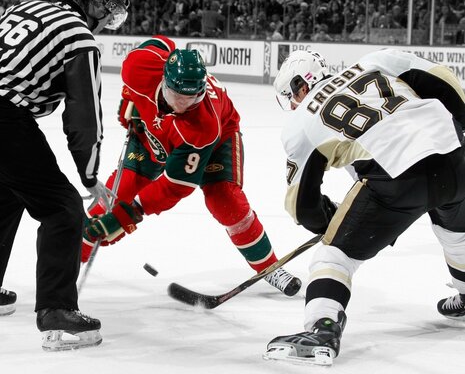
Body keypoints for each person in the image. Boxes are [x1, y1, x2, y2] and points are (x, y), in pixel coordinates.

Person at [0, 0, 130, 351]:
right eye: (112, 13)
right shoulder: (80, 38)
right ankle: (57, 313)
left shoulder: (26, 8)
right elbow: (83, 117)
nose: (109, 23)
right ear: (97, 5)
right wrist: (89, 178)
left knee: (1, 191)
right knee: (61, 206)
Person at [263, 49, 465, 365]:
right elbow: (443, 79)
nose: (291, 104)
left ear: (303, 85)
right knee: (460, 237)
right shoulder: (376, 60)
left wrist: (329, 223)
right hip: (458, 156)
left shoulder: (300, 124)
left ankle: (323, 329)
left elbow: (303, 205)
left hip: (397, 177)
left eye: (291, 95)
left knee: (334, 255)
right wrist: (456, 126)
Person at [82, 35, 302, 296]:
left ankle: (270, 267)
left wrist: (127, 216)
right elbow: (162, 42)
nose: (184, 104)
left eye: (192, 97)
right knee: (109, 201)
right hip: (152, 132)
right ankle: (68, 259)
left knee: (224, 201)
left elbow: (175, 186)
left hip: (217, 140)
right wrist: (130, 96)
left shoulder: (203, 125)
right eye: (178, 96)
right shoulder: (138, 67)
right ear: (165, 80)